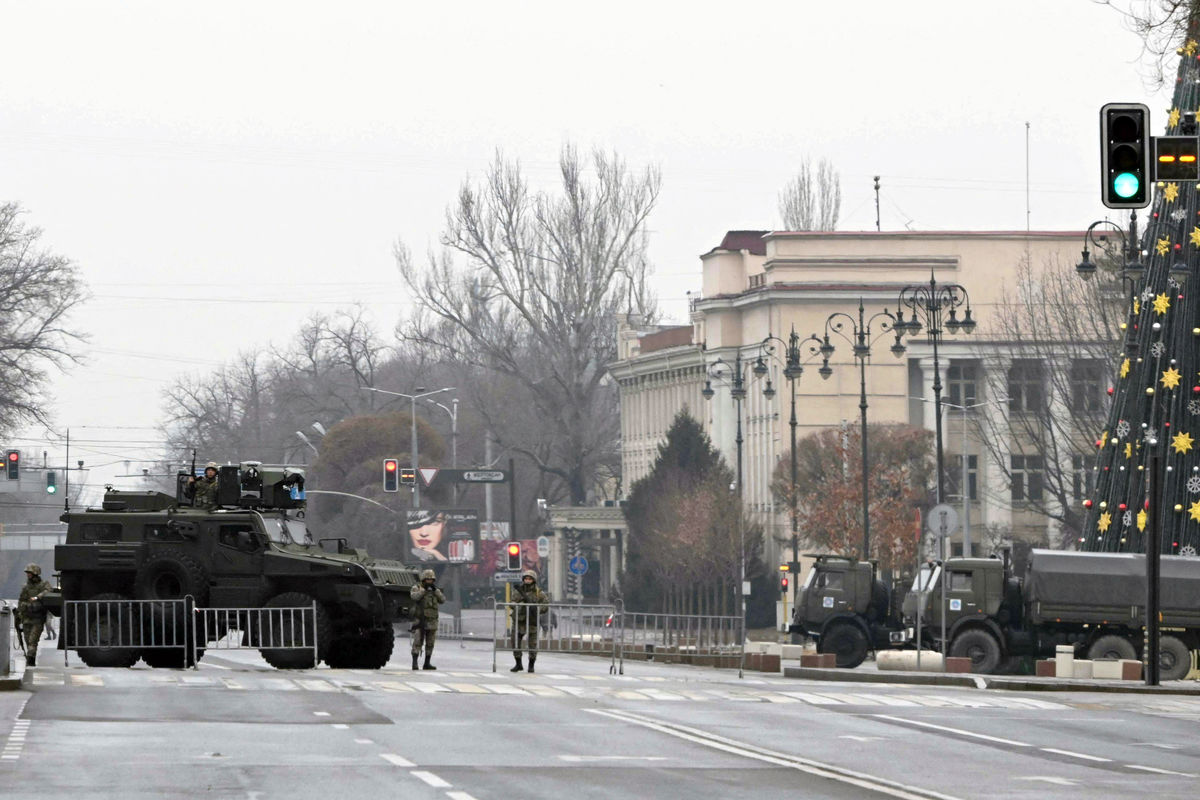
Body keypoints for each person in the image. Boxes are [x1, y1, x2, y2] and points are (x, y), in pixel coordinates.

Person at [509, 569, 549, 673]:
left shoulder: (538, 593)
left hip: (532, 621)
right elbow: (512, 603)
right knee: (515, 642)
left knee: (532, 644)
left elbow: (545, 605)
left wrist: (535, 609)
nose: (527, 580)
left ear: (534, 580)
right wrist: (519, 606)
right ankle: (518, 664)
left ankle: (531, 665)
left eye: (530, 579)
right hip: (519, 620)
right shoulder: (518, 591)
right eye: (526, 578)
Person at [409, 569, 445, 670]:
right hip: (420, 620)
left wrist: (436, 591)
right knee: (417, 642)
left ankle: (427, 663)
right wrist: (423, 590)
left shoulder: (434, 590)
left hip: (432, 621)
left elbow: (442, 600)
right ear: (423, 579)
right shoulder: (417, 588)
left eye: (431, 580)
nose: (430, 582)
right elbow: (414, 597)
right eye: (427, 580)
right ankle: (415, 663)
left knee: (430, 643)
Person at [17, 563, 51, 667]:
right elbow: (21, 600)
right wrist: (19, 614)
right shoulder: (26, 587)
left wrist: (37, 597)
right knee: (28, 642)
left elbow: (49, 591)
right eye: (27, 573)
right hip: (26, 619)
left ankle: (30, 663)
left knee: (32, 642)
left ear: (35, 573)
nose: (28, 575)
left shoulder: (43, 584)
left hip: (37, 619)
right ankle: (30, 659)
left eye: (29, 573)